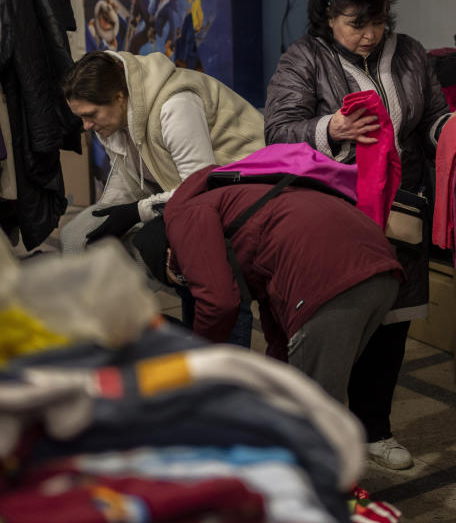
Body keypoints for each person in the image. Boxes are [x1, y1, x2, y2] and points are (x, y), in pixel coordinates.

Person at [264, 0, 451, 471]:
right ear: (329, 19)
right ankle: (316, 433)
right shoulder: (305, 58)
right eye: (355, 25)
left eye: (377, 23)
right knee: (335, 321)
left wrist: (451, 130)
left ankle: (375, 429)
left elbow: (432, 115)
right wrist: (331, 129)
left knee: (391, 322)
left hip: (399, 210)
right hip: (333, 212)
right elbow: (278, 130)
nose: (368, 36)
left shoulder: (409, 52)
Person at [129, 165, 404, 404]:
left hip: (326, 276)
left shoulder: (183, 218)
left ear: (167, 253)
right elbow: (276, 324)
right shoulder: (235, 200)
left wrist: (198, 363)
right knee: (311, 398)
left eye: (182, 278)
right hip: (380, 267)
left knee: (308, 412)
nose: (188, 284)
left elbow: (219, 303)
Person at [60, 50, 264, 255]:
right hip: (191, 195)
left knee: (143, 245)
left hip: (249, 189)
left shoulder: (174, 106)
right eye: (81, 118)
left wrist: (136, 212)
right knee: (75, 235)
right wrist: (105, 213)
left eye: (90, 115)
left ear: (119, 97)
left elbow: (200, 189)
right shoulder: (113, 121)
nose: (86, 126)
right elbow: (126, 179)